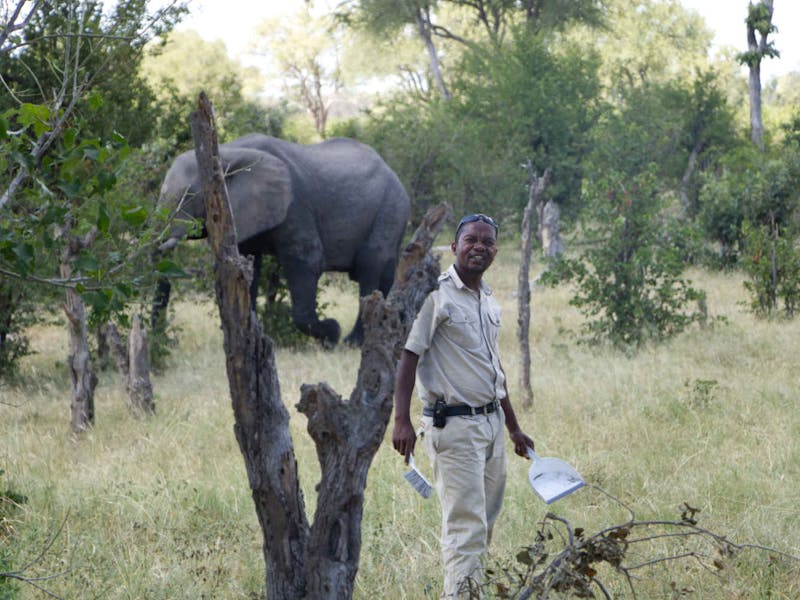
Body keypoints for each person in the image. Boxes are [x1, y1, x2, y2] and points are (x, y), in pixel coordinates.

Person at [392, 213, 535, 598]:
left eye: (487, 242)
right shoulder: (435, 296)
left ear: (495, 252)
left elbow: (493, 368)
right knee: (465, 527)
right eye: (471, 240)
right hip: (453, 427)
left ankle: (471, 592)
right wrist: (401, 419)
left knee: (484, 522)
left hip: (489, 426)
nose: (479, 247)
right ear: (454, 247)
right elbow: (409, 356)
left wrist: (513, 428)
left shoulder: (487, 300)